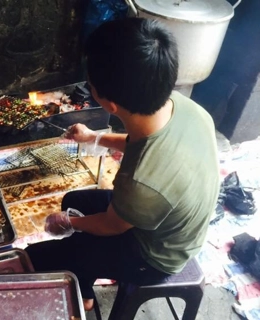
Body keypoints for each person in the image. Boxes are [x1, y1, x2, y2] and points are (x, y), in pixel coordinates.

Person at [25, 17, 220, 311]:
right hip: (164, 217)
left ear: (110, 104)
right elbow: (138, 143)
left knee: (40, 255)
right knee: (74, 199)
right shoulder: (184, 108)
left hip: (154, 255)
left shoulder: (142, 183)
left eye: (90, 85)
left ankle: (78, 290)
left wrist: (69, 222)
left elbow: (110, 226)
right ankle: (86, 288)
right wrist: (94, 137)